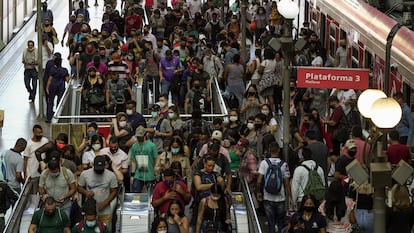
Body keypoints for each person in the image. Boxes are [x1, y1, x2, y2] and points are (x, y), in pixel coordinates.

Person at [256, 142, 292, 233]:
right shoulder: (284, 164)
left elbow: (259, 180)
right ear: (279, 151)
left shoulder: (264, 163)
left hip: (267, 197)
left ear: (269, 150)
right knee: (281, 221)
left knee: (270, 221)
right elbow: (287, 183)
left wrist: (258, 192)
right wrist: (291, 197)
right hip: (280, 197)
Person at [78, 156, 118, 230]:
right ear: (93, 165)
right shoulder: (85, 174)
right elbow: (79, 187)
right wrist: (86, 192)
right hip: (90, 211)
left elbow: (114, 191)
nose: (99, 171)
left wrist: (105, 203)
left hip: (105, 210)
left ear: (105, 165)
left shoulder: (111, 175)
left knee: (106, 229)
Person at [130, 126, 158, 193]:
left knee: (151, 194)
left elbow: (156, 159)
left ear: (145, 135)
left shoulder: (152, 146)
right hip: (138, 175)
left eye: (141, 136)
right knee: (136, 194)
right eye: (138, 136)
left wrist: (155, 169)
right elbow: (133, 161)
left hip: (150, 174)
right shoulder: (134, 146)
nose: (139, 138)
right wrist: (132, 175)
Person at [24, 125, 49, 194]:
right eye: (38, 133)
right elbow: (25, 159)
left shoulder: (45, 141)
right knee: (33, 192)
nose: (40, 134)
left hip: (42, 172)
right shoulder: (29, 144)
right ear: (34, 132)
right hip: (32, 173)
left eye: (41, 132)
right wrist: (25, 173)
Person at [45, 55, 71, 123]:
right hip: (61, 86)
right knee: (60, 102)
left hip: (53, 86)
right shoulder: (64, 70)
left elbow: (50, 79)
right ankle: (59, 117)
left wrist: (47, 87)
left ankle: (49, 118)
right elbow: (67, 80)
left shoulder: (52, 69)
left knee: (50, 102)